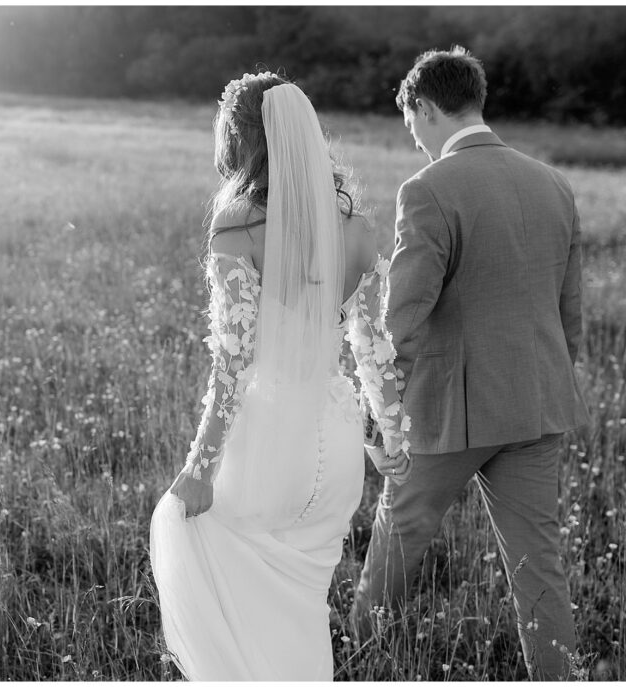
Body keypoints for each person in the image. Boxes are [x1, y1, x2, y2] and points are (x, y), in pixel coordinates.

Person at [148, 72, 412, 681]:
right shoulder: (359, 230)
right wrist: (394, 440)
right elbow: (373, 349)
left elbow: (233, 366)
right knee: (301, 609)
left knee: (199, 547)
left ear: (240, 141)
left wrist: (199, 468)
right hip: (338, 450)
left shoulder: (237, 226)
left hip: (268, 447)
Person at [349, 47, 591, 680]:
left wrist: (382, 409)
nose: (417, 144)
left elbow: (404, 314)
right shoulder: (553, 182)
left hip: (449, 410)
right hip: (537, 401)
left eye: (412, 126)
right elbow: (570, 314)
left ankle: (361, 661)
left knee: (399, 534)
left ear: (425, 108)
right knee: (539, 560)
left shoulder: (429, 188)